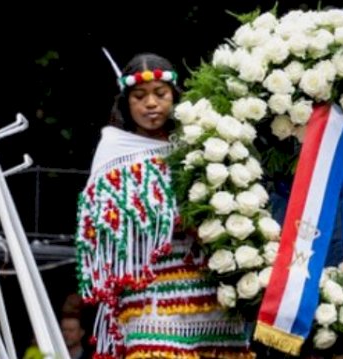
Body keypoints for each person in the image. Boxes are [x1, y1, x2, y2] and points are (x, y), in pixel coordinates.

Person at [74, 52, 252, 359]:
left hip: (211, 286)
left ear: (174, 97)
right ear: (127, 103)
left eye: (160, 94)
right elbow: (100, 226)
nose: (151, 104)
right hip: (149, 290)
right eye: (140, 96)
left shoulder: (203, 144)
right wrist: (169, 218)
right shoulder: (114, 149)